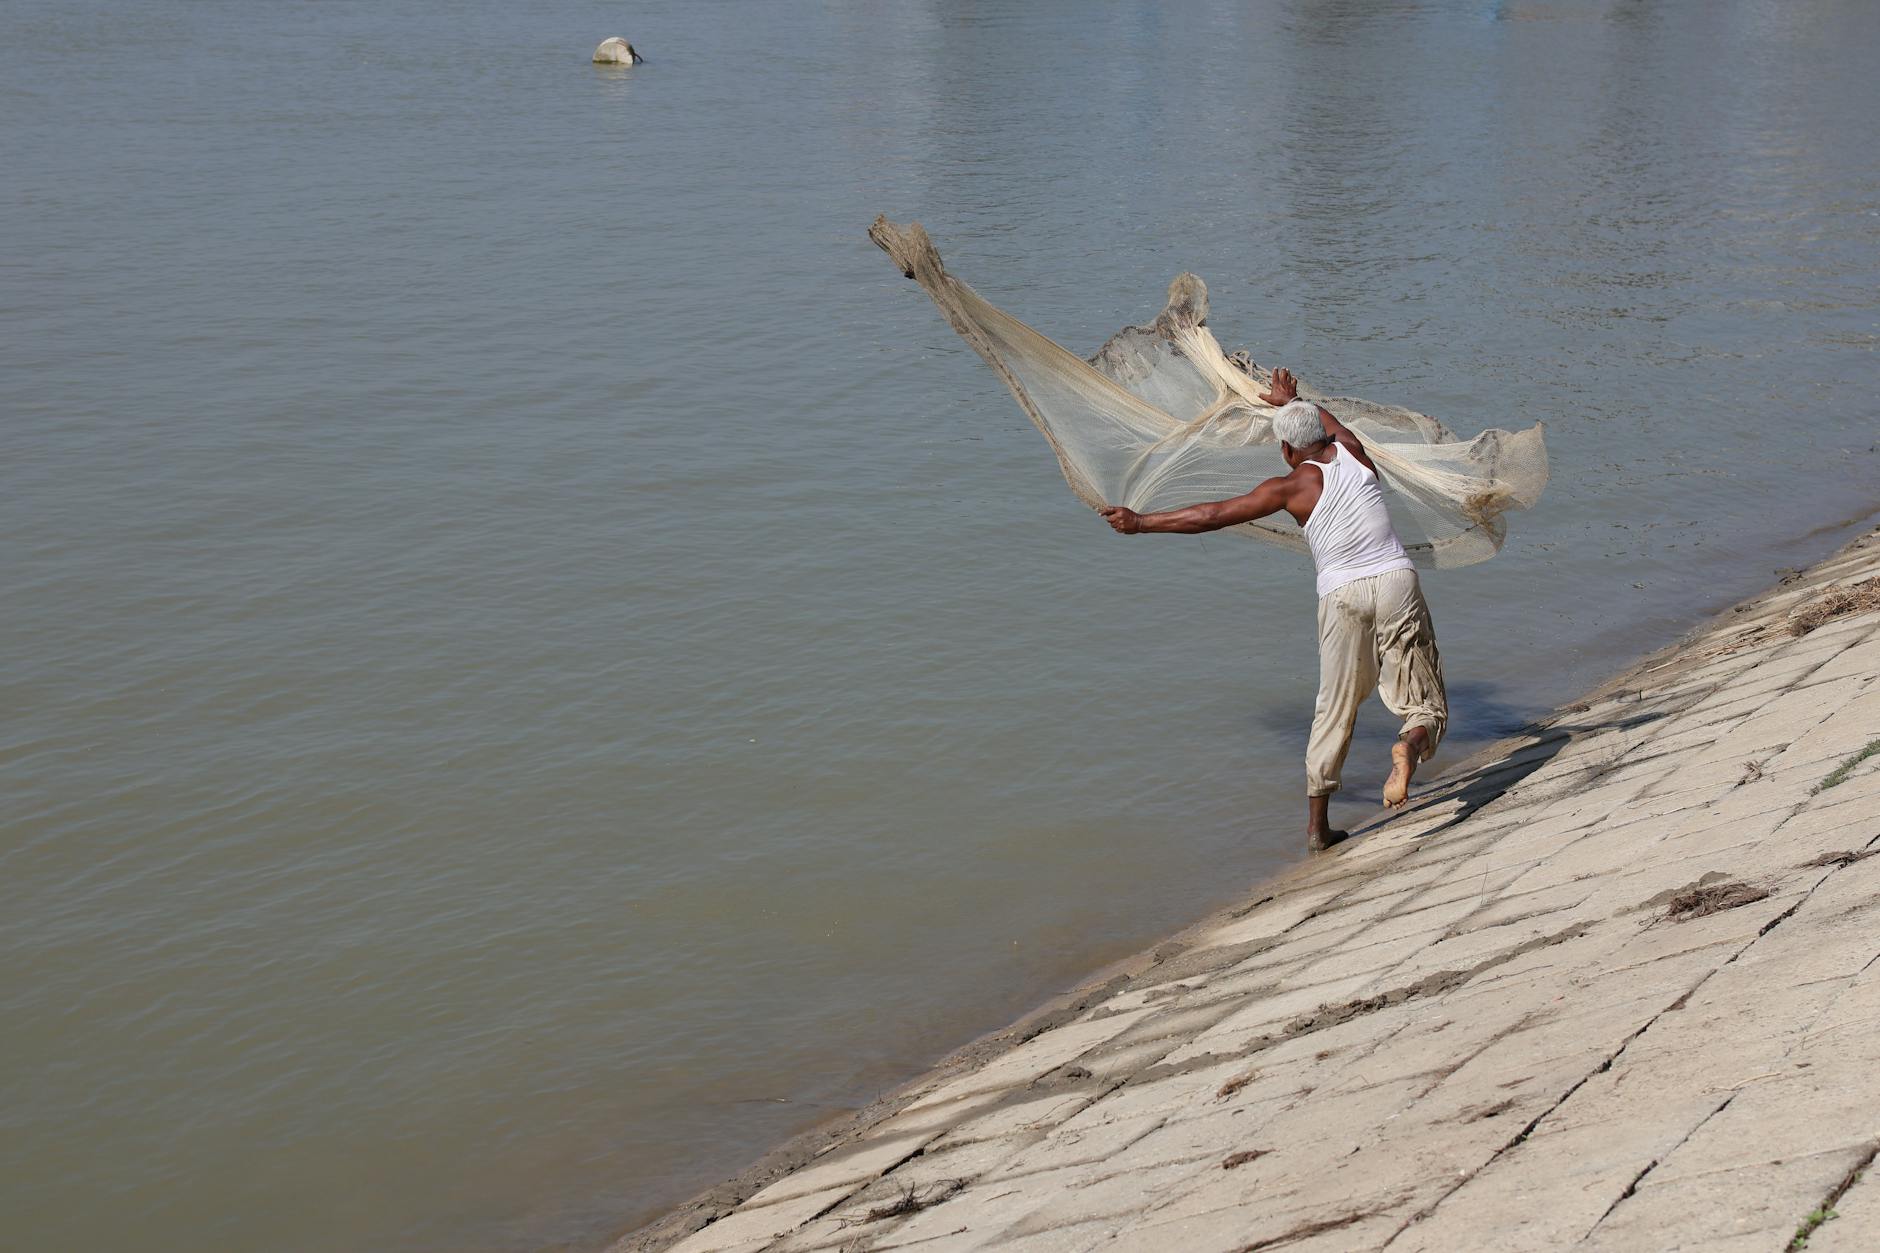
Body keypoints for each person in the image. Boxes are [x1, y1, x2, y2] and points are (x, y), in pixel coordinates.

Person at [1099, 367, 1447, 852]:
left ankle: (1317, 828)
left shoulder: (1288, 488)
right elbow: (1331, 425)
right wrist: (1290, 401)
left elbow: (1213, 515)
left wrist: (1142, 522)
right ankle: (1408, 746)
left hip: (1342, 594)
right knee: (1422, 696)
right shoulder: (1354, 453)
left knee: (1334, 706)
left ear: (1285, 451)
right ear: (1324, 435)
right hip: (1395, 580)